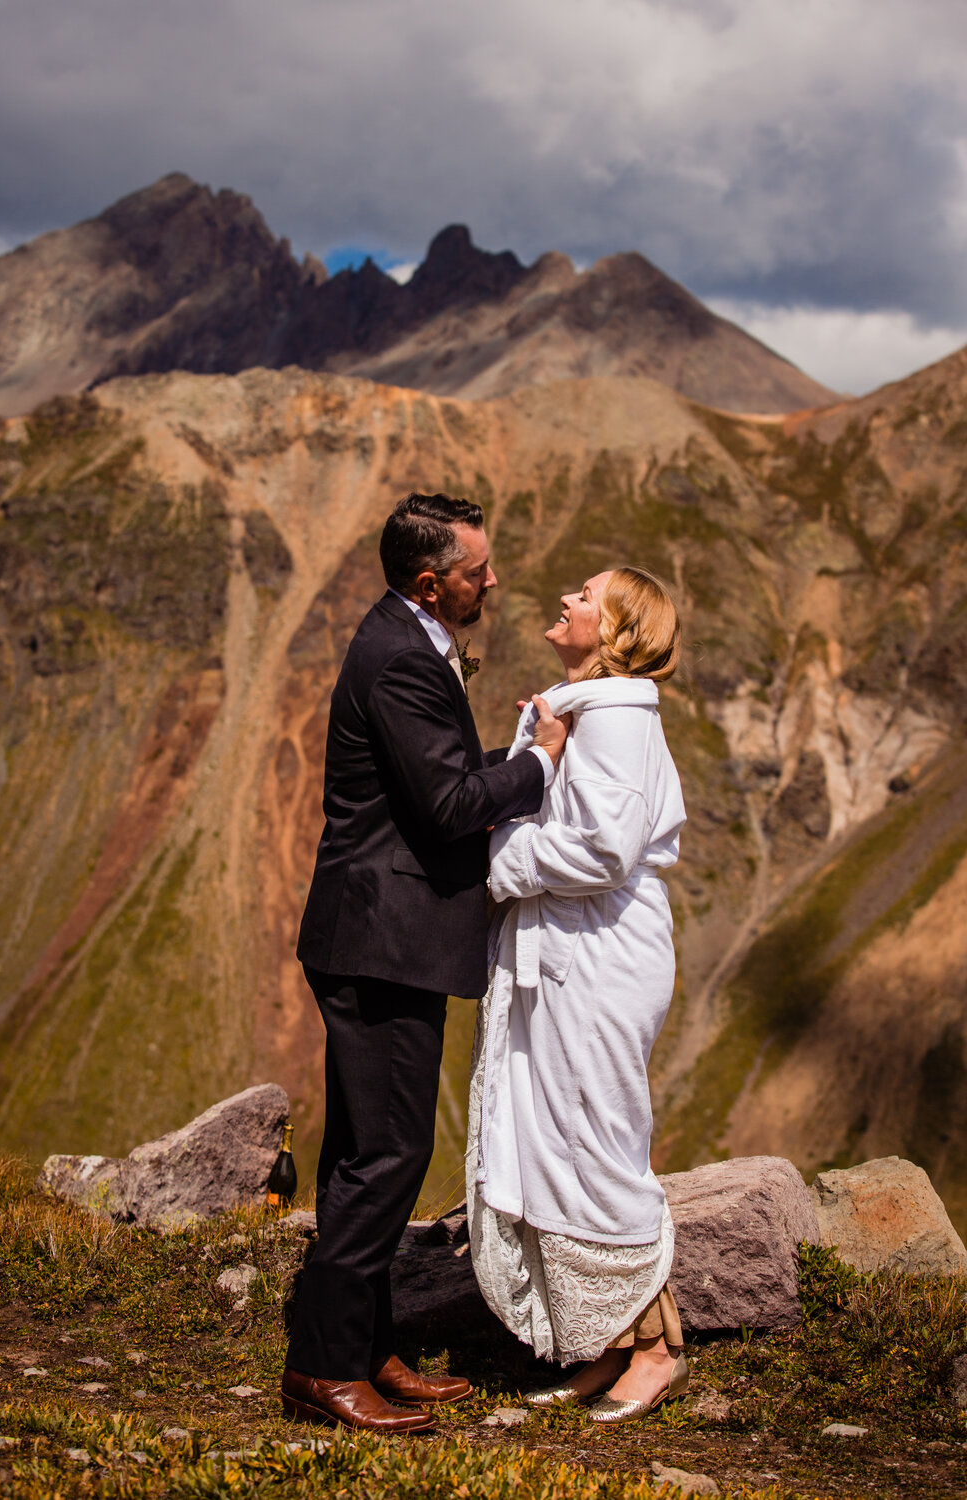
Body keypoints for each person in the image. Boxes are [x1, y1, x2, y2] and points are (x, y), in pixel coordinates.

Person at [282, 492, 571, 1433]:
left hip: (376, 937)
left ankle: (366, 1348)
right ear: (428, 582)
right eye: (477, 570)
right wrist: (539, 766)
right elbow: (449, 807)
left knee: (370, 1150)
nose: (492, 580)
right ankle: (325, 1368)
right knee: (388, 1153)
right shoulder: (404, 659)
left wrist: (507, 750)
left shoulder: (400, 639)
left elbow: (431, 775)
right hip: (381, 942)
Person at [466, 565, 689, 1424]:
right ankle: (606, 1340)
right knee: (564, 1138)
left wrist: (495, 865)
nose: (567, 599)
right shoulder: (583, 714)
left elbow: (602, 850)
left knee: (598, 1142)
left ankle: (658, 1350)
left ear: (621, 631)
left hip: (598, 960)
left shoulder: (618, 723)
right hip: (568, 954)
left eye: (588, 597)